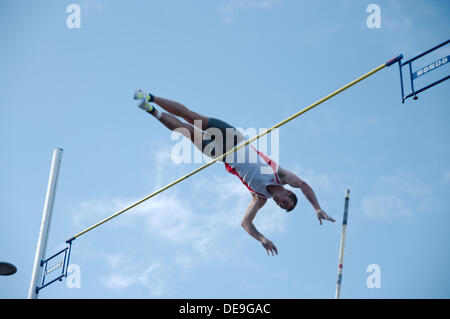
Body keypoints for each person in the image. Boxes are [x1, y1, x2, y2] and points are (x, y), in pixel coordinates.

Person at [134, 90, 335, 256]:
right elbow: (303, 184)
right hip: (234, 139)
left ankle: (149, 109)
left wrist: (262, 238)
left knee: (186, 131)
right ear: (288, 192)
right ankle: (150, 96)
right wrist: (316, 207)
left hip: (222, 155)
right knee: (192, 117)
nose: (280, 204)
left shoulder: (260, 198)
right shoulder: (280, 175)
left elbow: (245, 222)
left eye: (282, 207)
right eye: (285, 202)